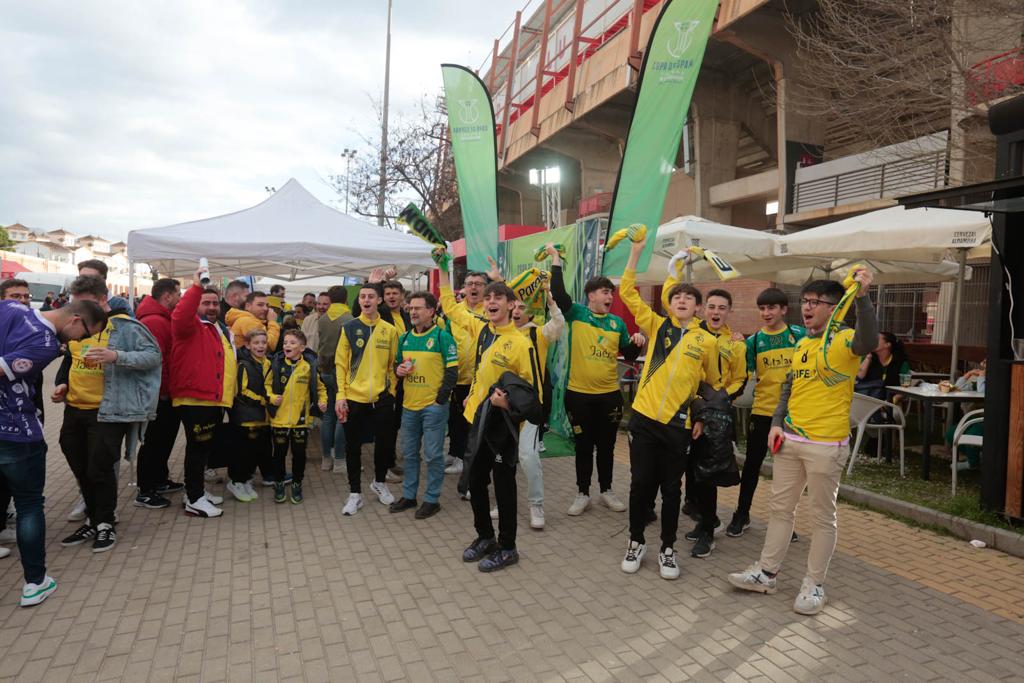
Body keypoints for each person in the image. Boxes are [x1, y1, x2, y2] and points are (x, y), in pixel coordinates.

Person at [728, 268, 877, 616]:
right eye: (805, 301)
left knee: (823, 517)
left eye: (815, 302)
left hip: (826, 446)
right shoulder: (802, 344)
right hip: (790, 441)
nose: (807, 307)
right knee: (780, 510)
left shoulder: (844, 340)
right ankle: (766, 573)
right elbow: (788, 388)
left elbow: (869, 342)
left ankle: (814, 585)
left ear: (834, 307)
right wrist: (777, 423)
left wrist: (864, 297)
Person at [438, 252, 541, 572]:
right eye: (488, 297)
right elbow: (451, 307)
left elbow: (534, 398)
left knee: (504, 486)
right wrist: (443, 270)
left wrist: (507, 404)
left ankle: (508, 547)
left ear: (512, 305)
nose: (491, 300)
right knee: (476, 481)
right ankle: (486, 537)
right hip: (476, 422)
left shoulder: (521, 344)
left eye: (499, 297)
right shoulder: (482, 329)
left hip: (502, 428)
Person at [1, 297, 107, 606]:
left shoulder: (11, 306)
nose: (82, 341)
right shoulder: (46, 342)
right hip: (17, 431)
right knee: (29, 506)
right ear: (75, 321)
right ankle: (35, 582)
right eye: (86, 334)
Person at [618, 241, 714, 579]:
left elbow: (712, 383)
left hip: (677, 426)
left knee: (672, 490)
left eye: (689, 298)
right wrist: (636, 253)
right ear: (669, 303)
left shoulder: (707, 342)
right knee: (640, 484)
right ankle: (635, 541)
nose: (683, 301)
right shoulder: (658, 327)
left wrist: (701, 413)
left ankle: (668, 549)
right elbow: (628, 292)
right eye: (677, 297)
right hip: (644, 419)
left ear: (698, 308)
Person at [53, 276, 161, 553]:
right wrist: (61, 384)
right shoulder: (74, 325)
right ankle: (94, 517)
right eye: (76, 303)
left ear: (104, 300)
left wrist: (117, 356)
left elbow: (153, 356)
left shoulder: (124, 327)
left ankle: (105, 523)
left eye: (86, 303)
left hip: (109, 411)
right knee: (80, 466)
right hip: (74, 409)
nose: (79, 310)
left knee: (99, 467)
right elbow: (69, 359)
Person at [549, 250, 644, 516]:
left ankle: (606, 490)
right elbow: (558, 294)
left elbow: (628, 354)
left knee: (607, 446)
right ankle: (582, 493)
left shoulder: (617, 323)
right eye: (605, 292)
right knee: (583, 446)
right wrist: (556, 260)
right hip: (578, 395)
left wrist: (636, 343)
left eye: (611, 293)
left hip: (609, 396)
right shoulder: (576, 313)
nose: (610, 297)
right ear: (591, 295)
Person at [494, 244, 567, 530]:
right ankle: (503, 501)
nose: (517, 310)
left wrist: (549, 299)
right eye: (515, 305)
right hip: (501, 403)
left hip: (528, 407)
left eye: (523, 306)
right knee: (502, 458)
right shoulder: (499, 332)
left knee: (528, 457)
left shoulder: (541, 332)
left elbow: (559, 322)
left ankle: (536, 505)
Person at [728, 288, 805, 538]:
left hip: (794, 416)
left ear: (784, 309)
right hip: (762, 413)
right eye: (762, 308)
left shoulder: (800, 336)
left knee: (789, 474)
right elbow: (741, 372)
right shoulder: (754, 341)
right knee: (751, 467)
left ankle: (785, 522)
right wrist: (735, 348)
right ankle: (742, 514)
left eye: (771, 308)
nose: (766, 313)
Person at [680, 287, 747, 559]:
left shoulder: (736, 343)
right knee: (691, 470)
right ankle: (704, 520)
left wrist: (719, 399)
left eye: (722, 307)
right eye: (712, 306)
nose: (716, 312)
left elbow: (740, 379)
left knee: (707, 473)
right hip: (688, 409)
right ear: (703, 308)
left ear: (729, 311)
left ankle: (708, 530)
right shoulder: (691, 335)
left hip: (715, 416)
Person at [170, 269, 238, 518]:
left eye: (213, 303)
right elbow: (179, 316)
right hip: (196, 398)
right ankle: (195, 499)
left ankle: (194, 491)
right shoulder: (189, 326)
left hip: (213, 398)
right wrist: (196, 287)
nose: (211, 307)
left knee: (203, 448)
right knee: (197, 449)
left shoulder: (216, 326)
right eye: (205, 302)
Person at [389, 292, 458, 519]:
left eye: (418, 308)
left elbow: (452, 371)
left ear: (431, 311)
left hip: (433, 408)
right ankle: (409, 496)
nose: (413, 312)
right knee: (409, 454)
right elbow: (398, 366)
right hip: (409, 406)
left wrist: (440, 400)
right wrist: (398, 370)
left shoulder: (442, 337)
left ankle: (431, 499)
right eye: (411, 309)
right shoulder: (405, 338)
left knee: (433, 455)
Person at [335, 283, 399, 515]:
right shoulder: (349, 327)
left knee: (384, 445)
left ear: (379, 300)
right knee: (353, 446)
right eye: (362, 297)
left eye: (371, 296)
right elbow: (340, 364)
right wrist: (341, 396)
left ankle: (379, 483)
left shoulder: (389, 330)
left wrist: (391, 391)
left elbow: (393, 364)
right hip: (354, 398)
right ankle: (355, 494)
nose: (366, 300)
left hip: (382, 398)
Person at [134, 278, 185, 509]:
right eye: (178, 294)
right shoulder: (155, 321)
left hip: (163, 392)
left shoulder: (160, 318)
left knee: (163, 440)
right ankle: (146, 489)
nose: (180, 298)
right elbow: (159, 360)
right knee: (154, 441)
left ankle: (159, 479)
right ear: (167, 296)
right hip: (158, 395)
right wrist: (164, 392)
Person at [266, 329, 326, 504]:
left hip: (300, 421)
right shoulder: (277, 364)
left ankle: (297, 483)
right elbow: (266, 386)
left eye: (292, 343)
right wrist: (271, 397)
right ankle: (278, 483)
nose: (287, 346)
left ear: (302, 347)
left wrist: (323, 401)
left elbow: (321, 388)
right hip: (279, 421)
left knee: (299, 456)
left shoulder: (309, 367)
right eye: (285, 343)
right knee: (279, 454)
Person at [442, 268, 490, 480]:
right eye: (470, 283)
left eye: (478, 284)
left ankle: (469, 459)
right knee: (455, 420)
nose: (473, 287)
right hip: (458, 377)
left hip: (481, 382)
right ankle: (456, 454)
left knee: (474, 423)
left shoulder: (490, 311)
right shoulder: (455, 312)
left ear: (486, 288)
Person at [225, 329, 271, 502]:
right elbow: (241, 392)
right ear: (248, 345)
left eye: (263, 342)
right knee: (242, 452)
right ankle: (236, 481)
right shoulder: (244, 365)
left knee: (254, 452)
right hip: (246, 416)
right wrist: (262, 400)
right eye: (256, 343)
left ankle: (245, 480)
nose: (260, 346)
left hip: (263, 417)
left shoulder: (268, 362)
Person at [317, 286, 353, 473]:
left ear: (330, 299)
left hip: (324, 370)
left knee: (328, 415)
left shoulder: (322, 319)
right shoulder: (349, 320)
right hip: (341, 372)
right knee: (342, 416)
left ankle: (326, 460)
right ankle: (339, 460)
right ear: (346, 299)